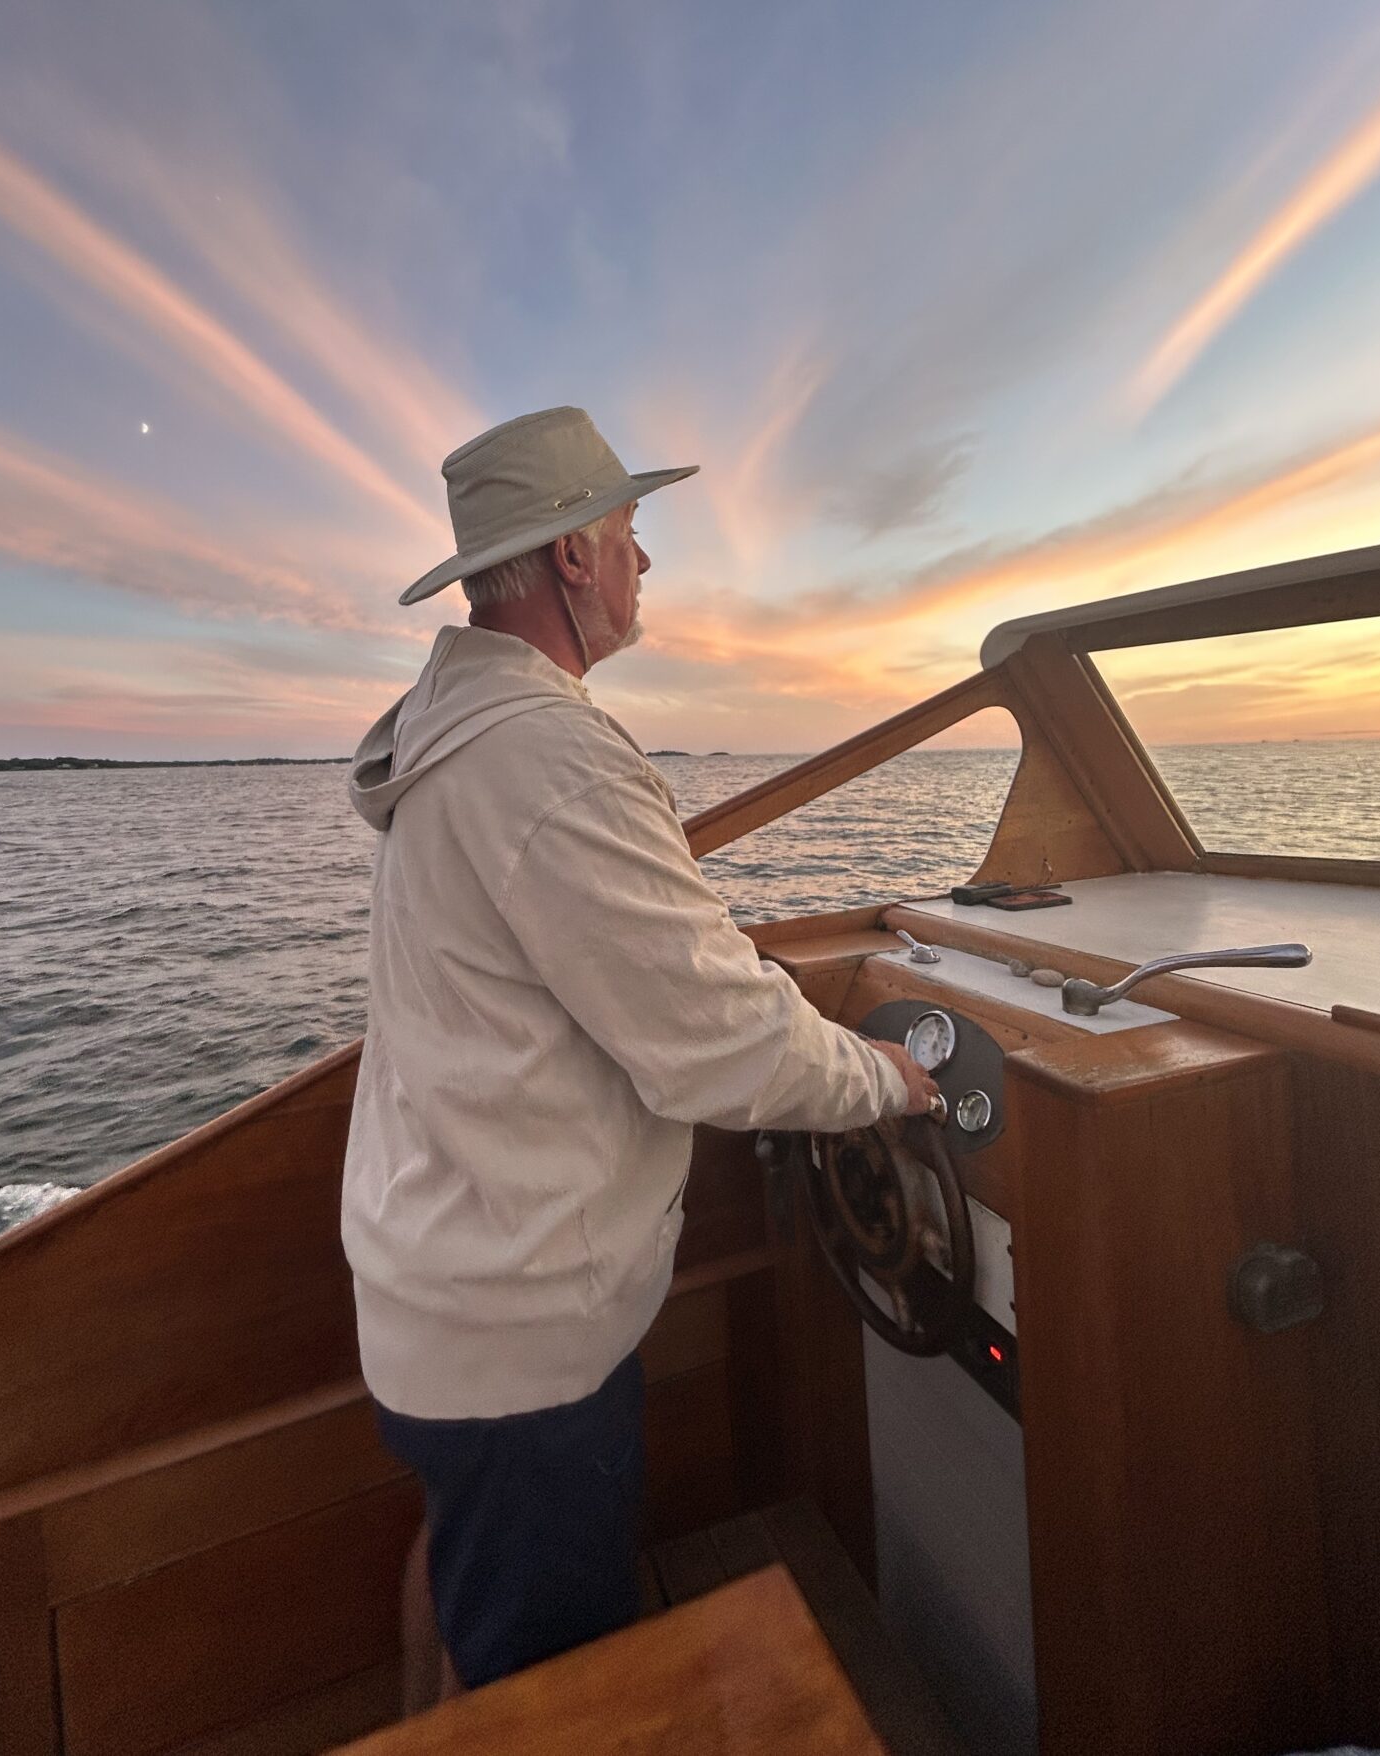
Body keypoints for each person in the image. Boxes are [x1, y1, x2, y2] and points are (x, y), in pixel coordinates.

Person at [340, 406, 941, 1711]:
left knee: (456, 1571)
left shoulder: (451, 738)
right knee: (549, 1689)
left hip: (432, 1296)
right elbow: (713, 1041)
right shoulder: (546, 754)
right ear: (569, 562)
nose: (643, 563)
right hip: (517, 1333)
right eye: (627, 535)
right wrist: (879, 1080)